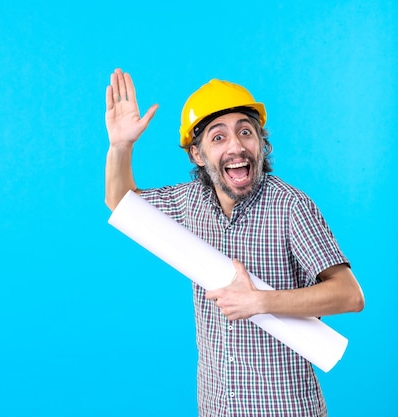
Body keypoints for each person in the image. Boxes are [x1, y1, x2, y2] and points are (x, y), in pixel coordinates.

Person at [104, 68, 364, 417]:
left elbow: (350, 295)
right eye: (218, 137)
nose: (236, 146)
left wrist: (258, 301)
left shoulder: (290, 206)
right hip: (217, 406)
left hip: (284, 407)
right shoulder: (189, 202)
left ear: (260, 143)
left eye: (246, 132)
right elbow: (122, 204)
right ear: (197, 155)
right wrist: (121, 146)